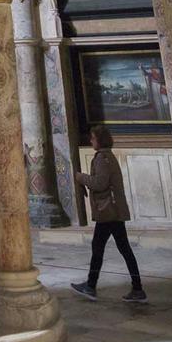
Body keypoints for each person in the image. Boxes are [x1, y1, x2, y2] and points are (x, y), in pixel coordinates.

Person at [71, 124, 147, 303]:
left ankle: (91, 286)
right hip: (113, 211)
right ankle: (136, 288)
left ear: (100, 140)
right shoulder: (106, 156)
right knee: (120, 248)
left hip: (109, 211)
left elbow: (100, 183)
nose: (91, 141)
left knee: (100, 248)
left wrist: (80, 177)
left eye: (93, 138)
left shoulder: (102, 158)